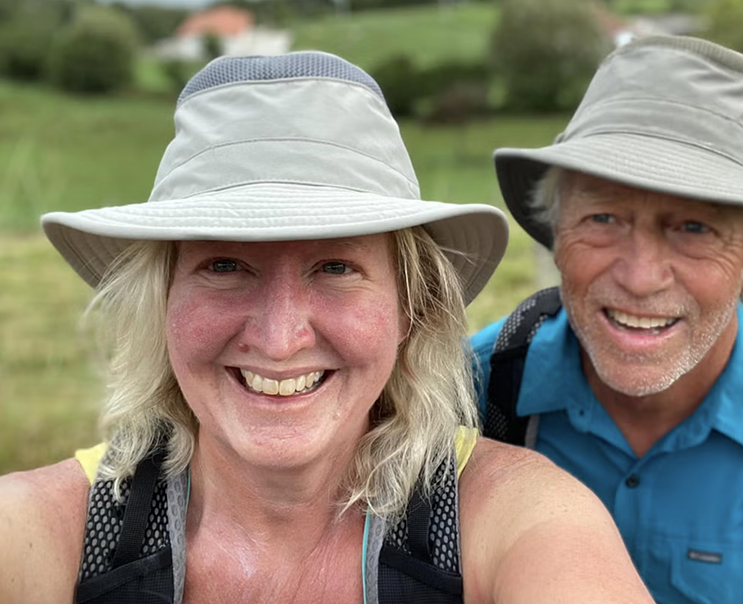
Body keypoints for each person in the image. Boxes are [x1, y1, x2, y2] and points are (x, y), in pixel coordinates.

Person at [0, 52, 654, 604]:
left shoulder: (520, 523)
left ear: (411, 308)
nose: (280, 338)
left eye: (336, 267)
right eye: (224, 265)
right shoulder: (40, 533)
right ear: (162, 303)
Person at [471, 36, 743, 604]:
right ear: (557, 236)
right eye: (603, 217)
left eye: (695, 228)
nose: (640, 277)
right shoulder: (463, 394)